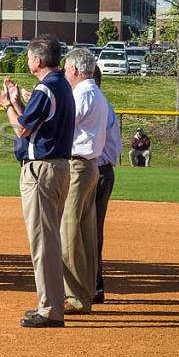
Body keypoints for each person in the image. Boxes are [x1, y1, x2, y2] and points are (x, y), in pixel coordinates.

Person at [0, 35, 75, 328]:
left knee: (43, 241)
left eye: (29, 57)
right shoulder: (62, 84)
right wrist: (17, 101)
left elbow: (23, 130)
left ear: (38, 61)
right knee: (48, 238)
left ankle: (50, 308)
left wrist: (5, 105)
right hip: (58, 167)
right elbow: (38, 121)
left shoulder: (46, 86)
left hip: (42, 170)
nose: (28, 62)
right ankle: (50, 303)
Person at [59, 49, 109, 315]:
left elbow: (62, 124)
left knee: (69, 232)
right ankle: (86, 291)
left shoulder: (82, 93)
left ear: (75, 70)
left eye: (66, 68)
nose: (65, 72)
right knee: (85, 234)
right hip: (90, 166)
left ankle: (75, 296)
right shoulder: (95, 93)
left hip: (78, 166)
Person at [92, 66, 120, 305]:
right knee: (92, 232)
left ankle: (93, 286)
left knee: (83, 232)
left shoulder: (94, 105)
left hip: (96, 172)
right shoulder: (103, 104)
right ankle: (95, 286)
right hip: (103, 171)